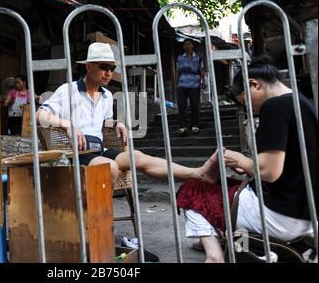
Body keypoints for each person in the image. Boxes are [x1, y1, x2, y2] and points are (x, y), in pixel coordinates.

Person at [177, 55, 317, 263]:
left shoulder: (274, 107)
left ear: (254, 85)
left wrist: (239, 160)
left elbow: (269, 172)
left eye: (247, 103)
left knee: (192, 189)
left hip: (281, 214)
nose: (251, 110)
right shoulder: (303, 103)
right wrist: (250, 166)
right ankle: (222, 239)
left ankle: (214, 256)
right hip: (307, 213)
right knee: (224, 186)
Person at [36, 42, 218, 185]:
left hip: (99, 149)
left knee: (138, 156)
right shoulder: (68, 90)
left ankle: (196, 173)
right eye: (103, 67)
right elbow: (40, 115)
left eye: (111, 68)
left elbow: (103, 122)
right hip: (76, 152)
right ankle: (95, 225)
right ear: (89, 66)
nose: (108, 73)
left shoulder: (106, 95)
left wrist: (116, 123)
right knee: (111, 167)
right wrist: (68, 125)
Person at [176, 38, 205, 135]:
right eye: (185, 44)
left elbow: (201, 70)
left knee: (194, 105)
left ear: (192, 46)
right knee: (181, 106)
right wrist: (176, 83)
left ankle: (195, 125)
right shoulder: (180, 58)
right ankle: (182, 126)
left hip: (195, 84)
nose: (187, 46)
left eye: (189, 44)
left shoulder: (197, 58)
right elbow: (177, 71)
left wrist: (203, 81)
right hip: (182, 84)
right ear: (183, 46)